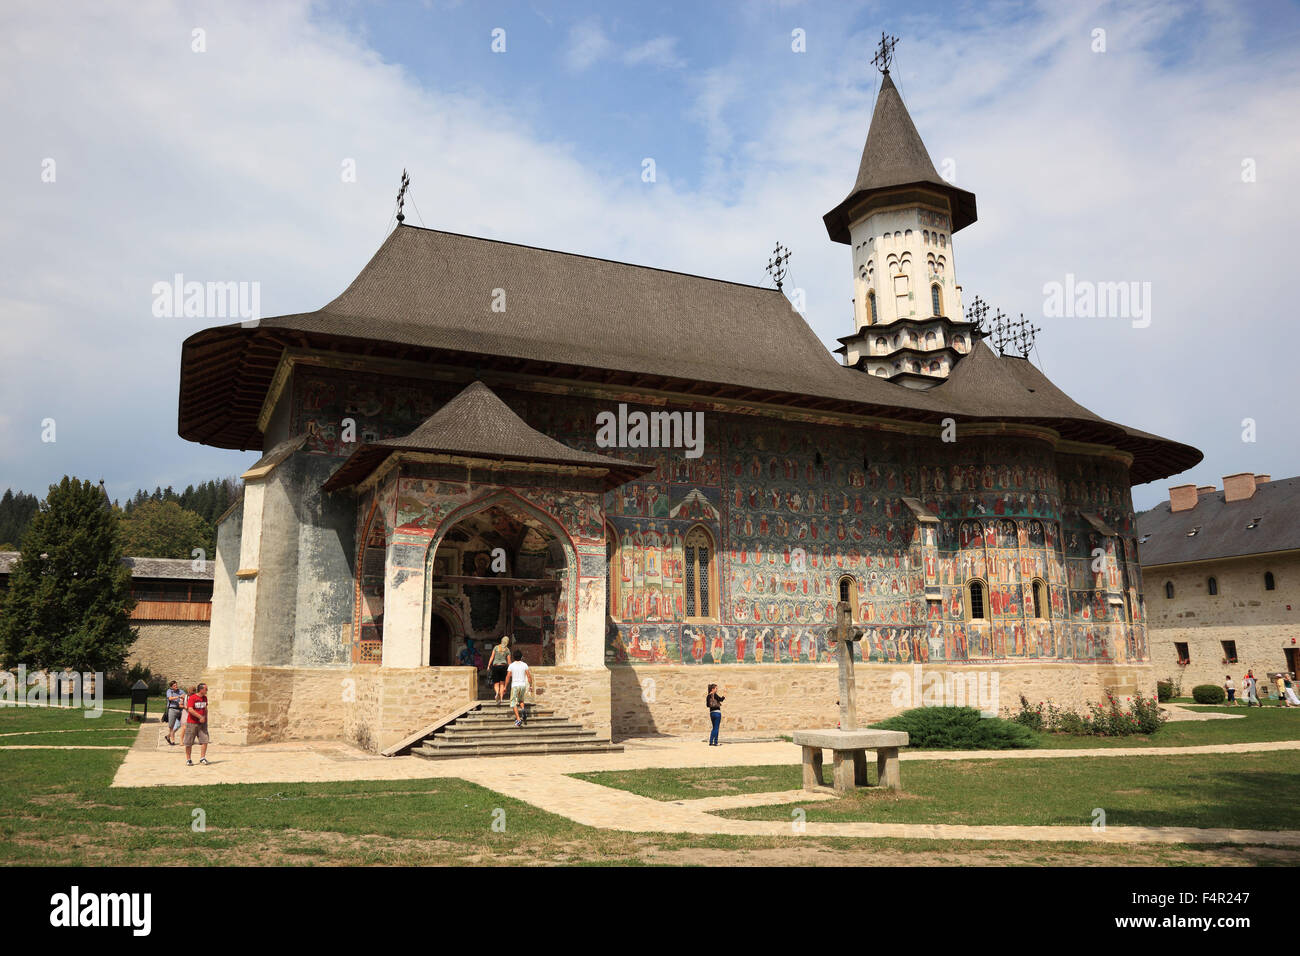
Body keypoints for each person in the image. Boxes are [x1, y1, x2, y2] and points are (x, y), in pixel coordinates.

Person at [183, 682, 210, 765]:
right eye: (206, 689)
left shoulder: (205, 698)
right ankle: (188, 759)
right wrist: (200, 717)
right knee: (189, 742)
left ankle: (202, 758)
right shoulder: (192, 698)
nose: (207, 690)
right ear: (201, 689)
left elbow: (205, 709)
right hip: (192, 723)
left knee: (205, 740)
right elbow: (190, 709)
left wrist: (205, 718)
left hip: (202, 724)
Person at [504, 649, 533, 727]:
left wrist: (505, 686)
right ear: (521, 657)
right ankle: (523, 709)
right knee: (521, 700)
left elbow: (508, 677)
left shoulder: (511, 665)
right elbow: (529, 676)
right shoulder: (524, 665)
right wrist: (530, 685)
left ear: (513, 657)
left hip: (515, 685)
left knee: (513, 702)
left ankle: (518, 719)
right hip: (522, 685)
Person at [487, 636, 512, 703]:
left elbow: (492, 657)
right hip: (503, 667)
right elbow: (509, 661)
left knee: (496, 683)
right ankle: (501, 698)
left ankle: (497, 693)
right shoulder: (507, 650)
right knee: (502, 683)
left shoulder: (496, 647)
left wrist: (488, 665)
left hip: (495, 666)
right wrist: (511, 670)